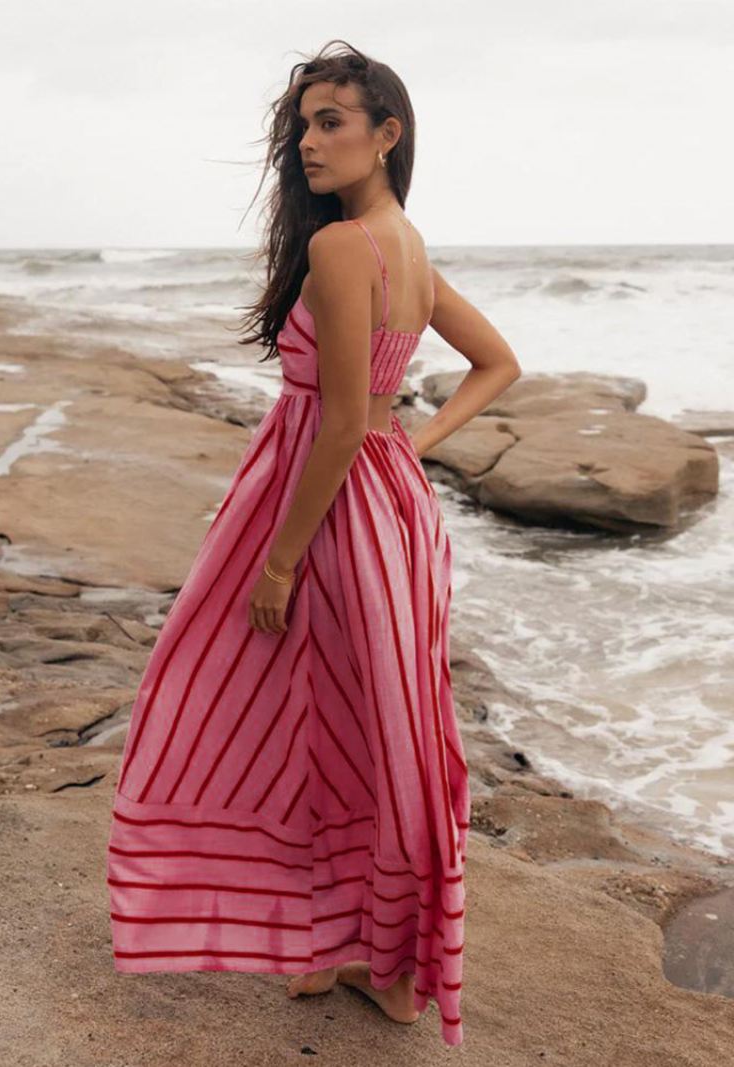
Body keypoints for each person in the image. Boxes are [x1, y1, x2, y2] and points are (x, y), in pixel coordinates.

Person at [107, 40, 521, 1049]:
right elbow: (494, 366)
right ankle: (353, 949)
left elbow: (340, 421)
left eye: (330, 121)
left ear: (388, 133)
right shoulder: (400, 240)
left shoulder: (344, 248)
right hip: (385, 508)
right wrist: (405, 447)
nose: (306, 143)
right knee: (371, 721)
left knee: (251, 695)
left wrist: (281, 556)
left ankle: (356, 952)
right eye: (301, 125)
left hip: (332, 507)